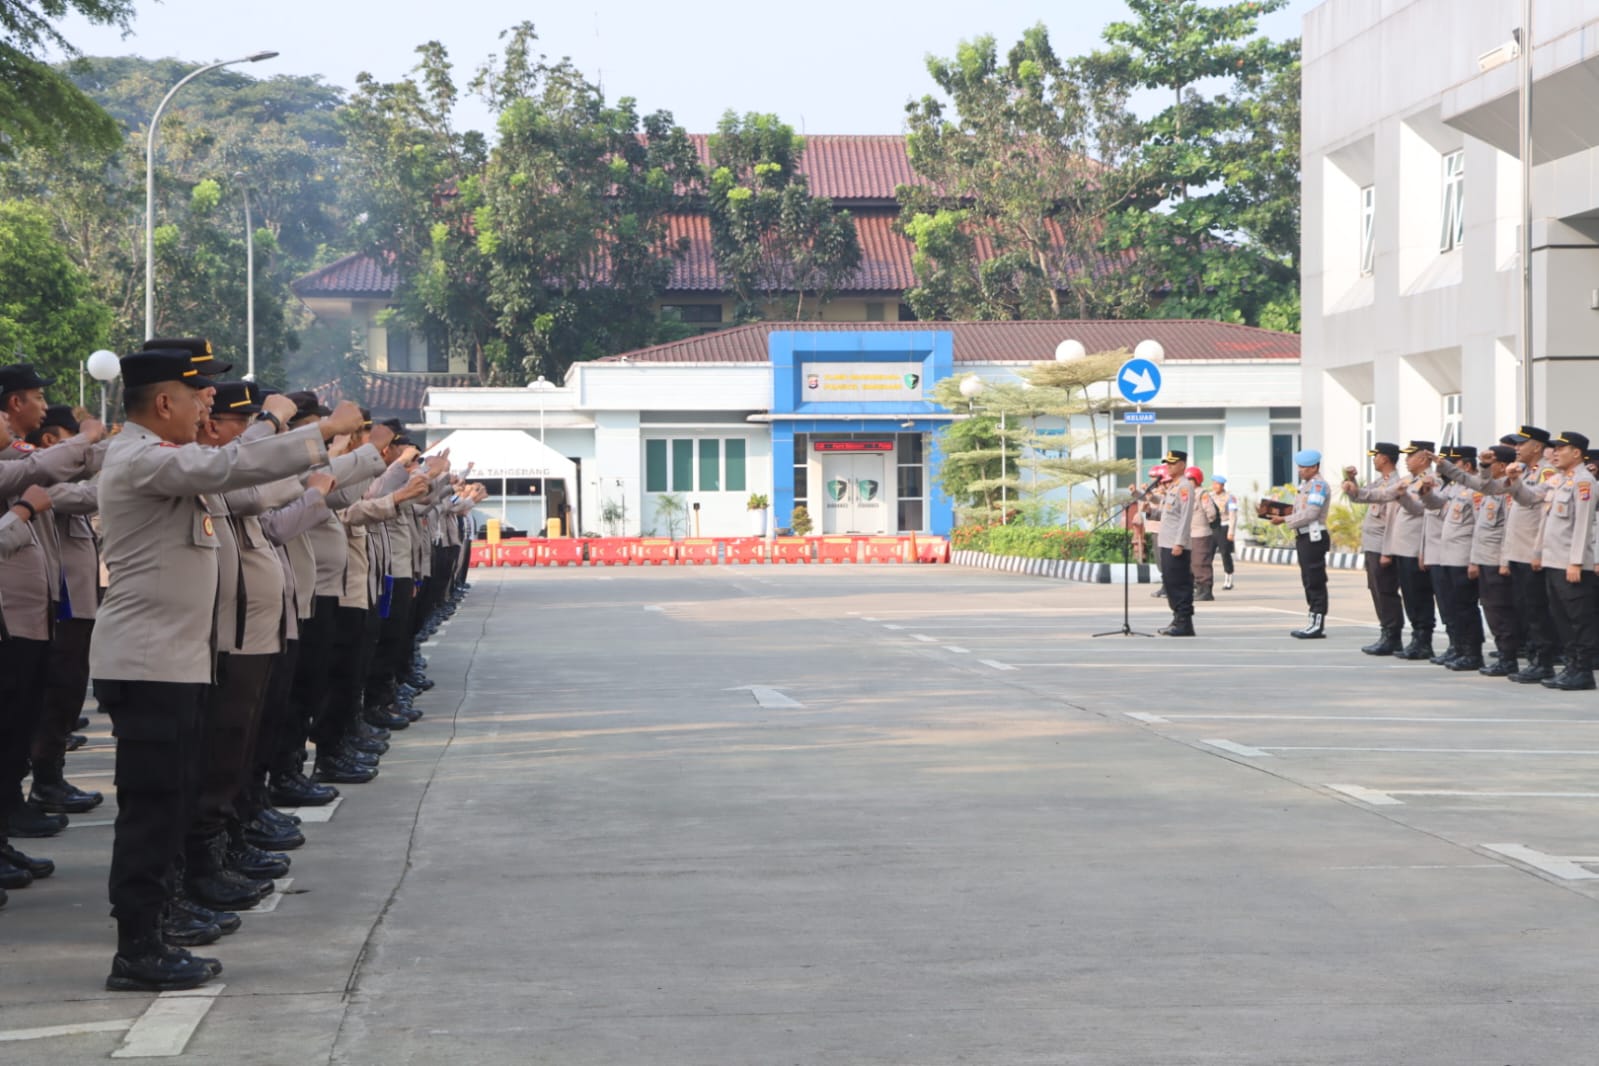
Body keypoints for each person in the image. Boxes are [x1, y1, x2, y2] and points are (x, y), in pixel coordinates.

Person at [92, 345, 362, 993]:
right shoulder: (141, 459)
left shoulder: (166, 462)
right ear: (163, 404)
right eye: (196, 394)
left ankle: (161, 922)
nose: (207, 403)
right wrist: (318, 432)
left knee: (174, 797)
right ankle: (137, 947)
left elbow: (235, 472)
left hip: (177, 662)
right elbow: (236, 464)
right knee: (153, 808)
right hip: (149, 663)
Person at [1526, 430, 1597, 690]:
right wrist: (1511, 481)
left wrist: (1576, 561)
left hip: (1571, 564)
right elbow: (1528, 497)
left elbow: (1583, 524)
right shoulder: (1559, 481)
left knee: (1579, 619)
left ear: (1576, 452)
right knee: (1561, 618)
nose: (1555, 452)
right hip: (1553, 562)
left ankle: (1583, 671)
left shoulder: (1584, 482)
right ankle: (1571, 665)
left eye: (1561, 448)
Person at [1419, 446, 1483, 670]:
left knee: (1466, 607)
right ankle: (1462, 649)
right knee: (1454, 606)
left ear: (1466, 466)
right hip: (1448, 556)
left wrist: (1475, 559)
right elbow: (1436, 504)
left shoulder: (1476, 490)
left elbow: (1479, 527)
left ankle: (1473, 652)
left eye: (1453, 464)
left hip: (1463, 556)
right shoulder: (1456, 488)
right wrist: (1426, 492)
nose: (1447, 468)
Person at [1343, 443, 1404, 654]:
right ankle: (1385, 631)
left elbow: (1393, 522)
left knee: (1386, 591)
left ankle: (1392, 635)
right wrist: (1351, 481)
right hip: (1372, 545)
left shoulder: (1397, 484)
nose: (1374, 459)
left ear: (1385, 458)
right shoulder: (1380, 482)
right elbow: (1359, 496)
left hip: (1382, 546)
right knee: (1376, 589)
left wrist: (1388, 551)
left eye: (1376, 455)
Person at [1268, 448, 1331, 638]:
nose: (1300, 470)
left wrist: (1284, 520)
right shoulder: (1305, 485)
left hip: (1313, 537)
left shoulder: (1318, 486)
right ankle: (1312, 620)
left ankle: (1317, 623)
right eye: (1299, 467)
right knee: (1308, 580)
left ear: (1314, 467)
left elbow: (1311, 514)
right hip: (1303, 537)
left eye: (1303, 467)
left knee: (1315, 580)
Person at [1469, 445, 1519, 676]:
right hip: (1485, 560)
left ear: (1502, 465)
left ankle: (1508, 659)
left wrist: (1504, 561)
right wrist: (1475, 560)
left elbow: (1508, 529)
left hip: (1498, 562)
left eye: (1492, 461)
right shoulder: (1493, 490)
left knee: (1502, 611)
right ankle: (1503, 655)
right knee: (1491, 610)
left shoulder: (1509, 490)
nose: (1489, 464)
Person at [1155, 450, 1195, 636]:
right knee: (1170, 582)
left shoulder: (1185, 486)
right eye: (1167, 463)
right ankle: (1177, 618)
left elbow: (1185, 517)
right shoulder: (1173, 486)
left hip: (1176, 545)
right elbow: (1166, 512)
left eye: (1172, 463)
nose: (1168, 466)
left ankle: (1184, 623)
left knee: (1179, 584)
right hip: (1166, 542)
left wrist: (1179, 543)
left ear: (1182, 465)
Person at [1188, 466, 1218, 601]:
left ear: (1197, 480)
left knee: (1201, 562)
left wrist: (1206, 522)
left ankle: (1206, 590)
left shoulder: (1202, 494)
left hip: (1202, 533)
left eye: (1190, 479)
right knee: (1194, 563)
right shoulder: (1187, 494)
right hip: (1191, 533)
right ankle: (1199, 588)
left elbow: (1211, 513)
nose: (1188, 482)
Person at [1210, 476, 1238, 590]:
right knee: (1207, 554)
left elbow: (1233, 515)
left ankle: (1228, 579)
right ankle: (1206, 580)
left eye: (1218, 484)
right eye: (1214, 483)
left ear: (1222, 485)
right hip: (1212, 528)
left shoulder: (1230, 498)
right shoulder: (1209, 496)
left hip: (1224, 527)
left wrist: (1231, 532)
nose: (1215, 486)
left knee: (1225, 553)